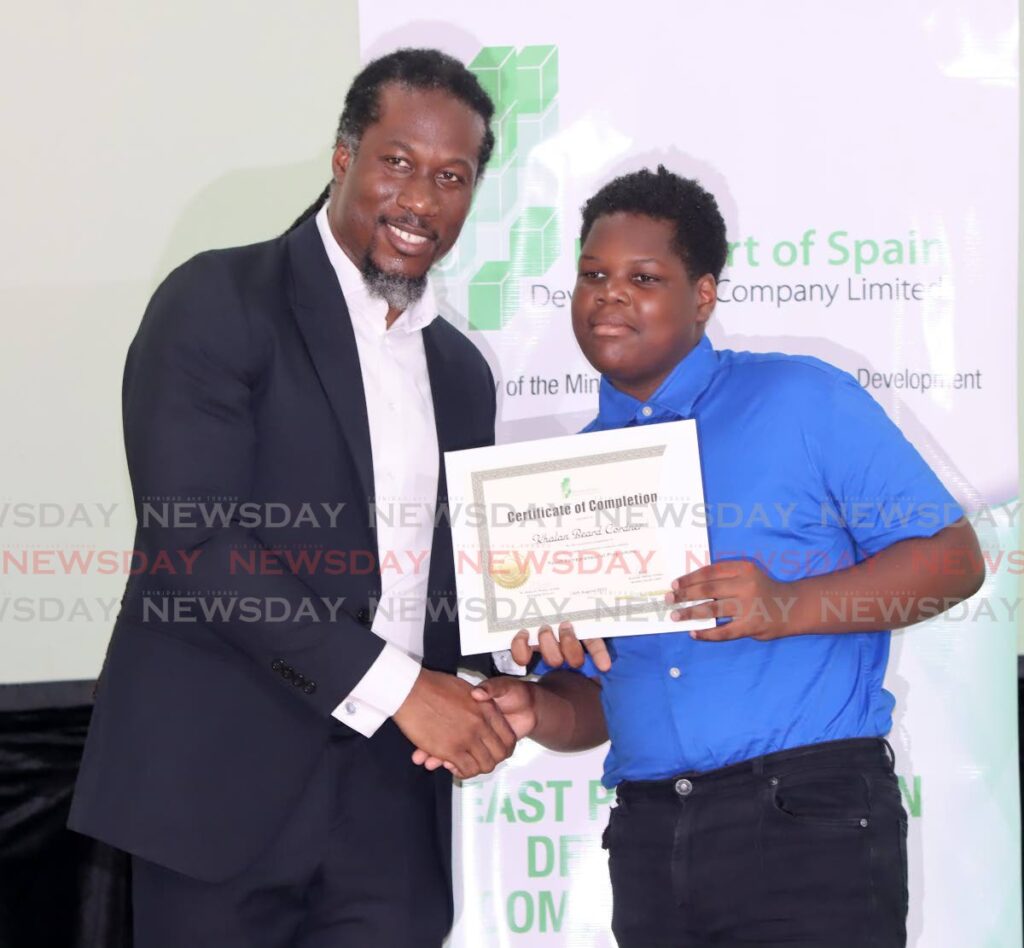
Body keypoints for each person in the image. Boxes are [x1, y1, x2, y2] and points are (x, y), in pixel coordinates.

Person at [443, 166, 985, 947]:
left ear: (702, 296)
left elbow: (954, 559)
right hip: (648, 838)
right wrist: (538, 710)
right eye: (593, 275)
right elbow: (600, 702)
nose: (610, 295)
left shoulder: (801, 399)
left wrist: (787, 606)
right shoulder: (562, 485)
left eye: (644, 277)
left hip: (809, 818)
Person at [69, 48, 519, 948]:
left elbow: (447, 600)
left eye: (452, 177)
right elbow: (196, 547)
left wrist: (517, 668)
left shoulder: (462, 374)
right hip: (216, 795)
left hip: (394, 809)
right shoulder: (219, 301)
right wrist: (401, 688)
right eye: (398, 162)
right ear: (343, 154)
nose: (422, 200)